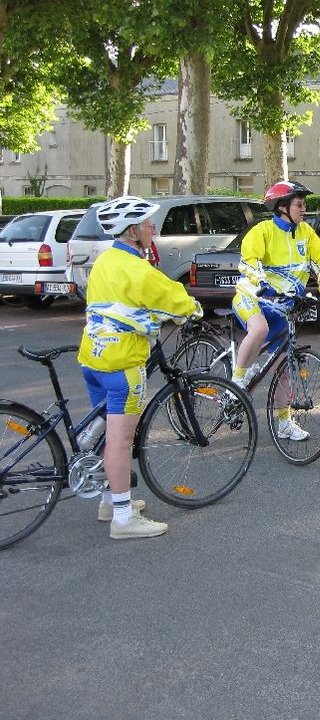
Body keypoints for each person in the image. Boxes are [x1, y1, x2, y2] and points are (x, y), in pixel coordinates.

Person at [79, 196, 203, 539]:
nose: (154, 228)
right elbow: (176, 298)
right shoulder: (139, 270)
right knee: (120, 441)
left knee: (106, 435)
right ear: (133, 230)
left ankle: (109, 500)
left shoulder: (105, 261)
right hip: (123, 363)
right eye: (149, 224)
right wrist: (194, 309)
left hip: (93, 358)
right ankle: (122, 518)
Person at [232, 180, 320, 441]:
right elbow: (249, 261)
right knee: (259, 329)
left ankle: (284, 423)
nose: (304, 209)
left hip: (283, 306)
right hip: (253, 297)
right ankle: (235, 383)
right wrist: (262, 283)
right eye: (299, 205)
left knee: (283, 367)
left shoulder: (305, 233)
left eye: (304, 205)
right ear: (282, 207)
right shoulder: (263, 231)